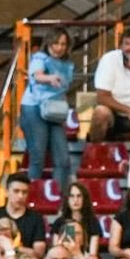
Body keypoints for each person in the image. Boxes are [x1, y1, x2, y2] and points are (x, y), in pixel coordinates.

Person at [22, 28, 77, 187]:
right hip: (34, 108)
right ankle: (33, 197)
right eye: (55, 43)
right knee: (37, 156)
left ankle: (57, 199)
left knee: (63, 160)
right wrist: (49, 78)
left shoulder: (67, 64)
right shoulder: (40, 58)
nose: (59, 48)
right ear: (49, 43)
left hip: (55, 111)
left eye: (63, 44)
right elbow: (37, 75)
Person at [0, 172, 49, 259]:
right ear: (6, 192)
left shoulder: (36, 218)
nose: (20, 196)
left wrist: (9, 247)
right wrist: (20, 249)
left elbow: (38, 253)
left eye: (24, 192)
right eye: (16, 191)